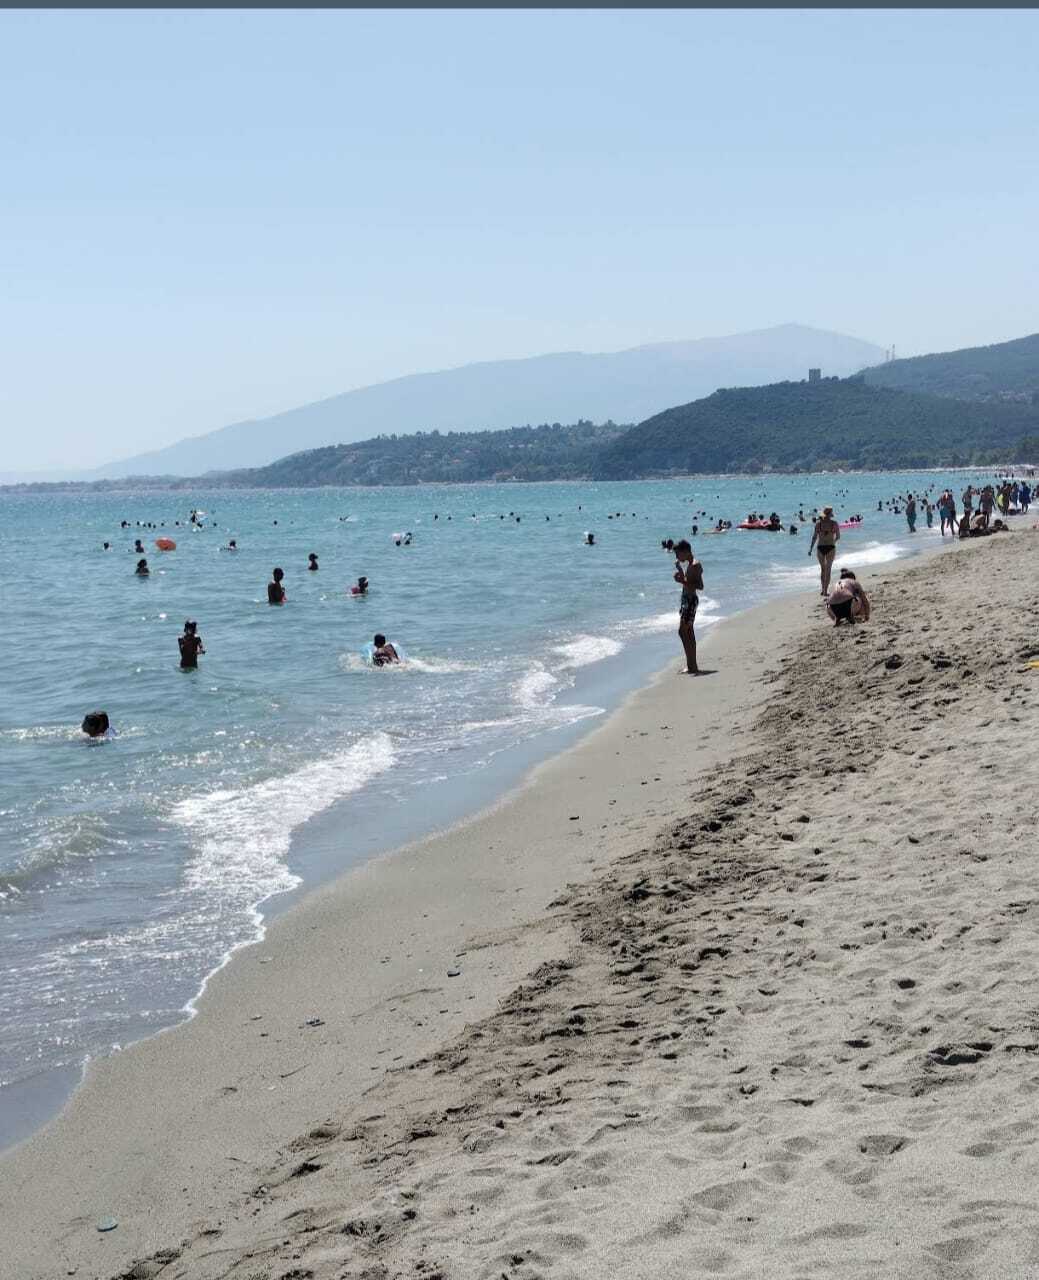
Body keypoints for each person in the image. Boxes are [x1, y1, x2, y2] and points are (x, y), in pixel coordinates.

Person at [672, 539, 703, 675]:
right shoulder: (691, 564)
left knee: (683, 632)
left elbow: (700, 586)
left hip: (690, 601)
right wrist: (680, 570)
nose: (677, 557)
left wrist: (681, 581)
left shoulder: (695, 565)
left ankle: (692, 666)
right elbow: (688, 581)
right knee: (688, 632)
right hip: (687, 600)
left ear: (685, 552)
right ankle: (691, 665)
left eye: (678, 554)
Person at [808, 507, 840, 596]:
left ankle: (823, 589)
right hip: (831, 547)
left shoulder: (818, 524)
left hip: (820, 547)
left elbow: (814, 537)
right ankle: (826, 591)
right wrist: (833, 541)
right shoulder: (834, 524)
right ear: (831, 514)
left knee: (823, 569)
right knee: (828, 569)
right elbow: (838, 537)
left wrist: (810, 549)